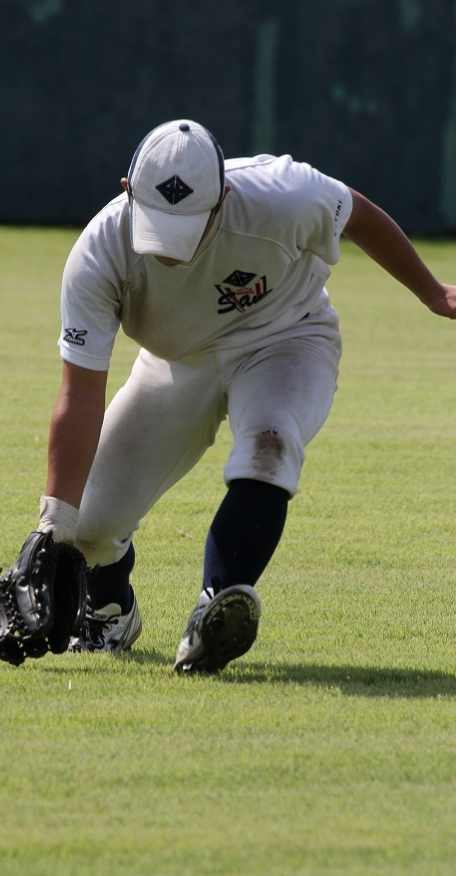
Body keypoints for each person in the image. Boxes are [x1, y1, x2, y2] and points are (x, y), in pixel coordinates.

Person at [35, 119, 456, 674]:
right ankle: (111, 613)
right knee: (90, 526)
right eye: (158, 223)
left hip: (285, 338)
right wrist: (53, 526)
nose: (171, 249)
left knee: (269, 443)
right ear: (127, 190)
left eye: (188, 226)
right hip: (176, 362)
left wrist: (433, 293)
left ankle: (216, 606)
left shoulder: (284, 194)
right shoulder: (99, 252)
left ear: (224, 198)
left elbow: (355, 211)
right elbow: (82, 394)